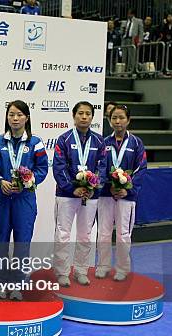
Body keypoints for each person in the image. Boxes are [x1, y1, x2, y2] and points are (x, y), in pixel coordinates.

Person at [0, 101, 48, 300]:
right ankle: (0, 283)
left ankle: (17, 285)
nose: (15, 119)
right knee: (1, 243)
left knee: (22, 243)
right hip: (2, 199)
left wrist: (29, 181)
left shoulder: (35, 143)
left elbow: (42, 169)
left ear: (27, 118)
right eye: (11, 114)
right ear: (6, 117)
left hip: (25, 199)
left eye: (19, 115)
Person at [52, 102, 107, 287]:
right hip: (67, 195)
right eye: (80, 113)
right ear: (74, 116)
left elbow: (103, 167)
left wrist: (93, 186)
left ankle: (81, 270)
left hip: (90, 196)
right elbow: (59, 167)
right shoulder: (64, 139)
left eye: (88, 114)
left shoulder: (100, 141)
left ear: (92, 117)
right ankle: (62, 272)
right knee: (63, 234)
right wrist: (72, 188)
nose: (84, 117)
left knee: (85, 234)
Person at [97, 105, 147, 281]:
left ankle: (122, 268)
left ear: (128, 120)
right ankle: (103, 266)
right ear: (109, 121)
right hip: (105, 195)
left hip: (127, 196)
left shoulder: (136, 143)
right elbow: (100, 167)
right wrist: (107, 187)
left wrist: (128, 190)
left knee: (123, 234)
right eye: (114, 118)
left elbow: (141, 169)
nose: (118, 122)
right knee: (103, 232)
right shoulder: (104, 142)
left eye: (121, 118)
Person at [121, 8, 144, 74]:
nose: (128, 15)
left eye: (129, 13)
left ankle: (131, 70)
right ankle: (124, 70)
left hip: (133, 39)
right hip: (125, 39)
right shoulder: (125, 22)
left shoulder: (138, 21)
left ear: (132, 14)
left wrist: (140, 41)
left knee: (132, 56)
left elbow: (141, 32)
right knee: (124, 56)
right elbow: (122, 31)